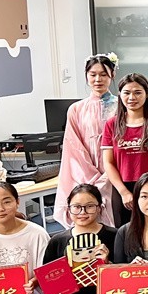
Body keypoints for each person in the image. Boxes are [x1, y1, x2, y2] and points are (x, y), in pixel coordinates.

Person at [55, 54, 119, 228]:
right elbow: (73, 148)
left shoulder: (122, 106)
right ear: (86, 76)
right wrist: (91, 176)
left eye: (103, 74)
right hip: (85, 174)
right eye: (93, 74)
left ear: (112, 75)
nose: (98, 79)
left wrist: (108, 175)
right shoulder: (76, 109)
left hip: (116, 173)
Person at [102, 73, 148, 227]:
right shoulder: (111, 124)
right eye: (127, 93)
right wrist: (123, 192)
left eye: (138, 92)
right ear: (120, 95)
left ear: (146, 94)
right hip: (122, 188)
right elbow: (108, 163)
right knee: (125, 231)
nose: (132, 97)